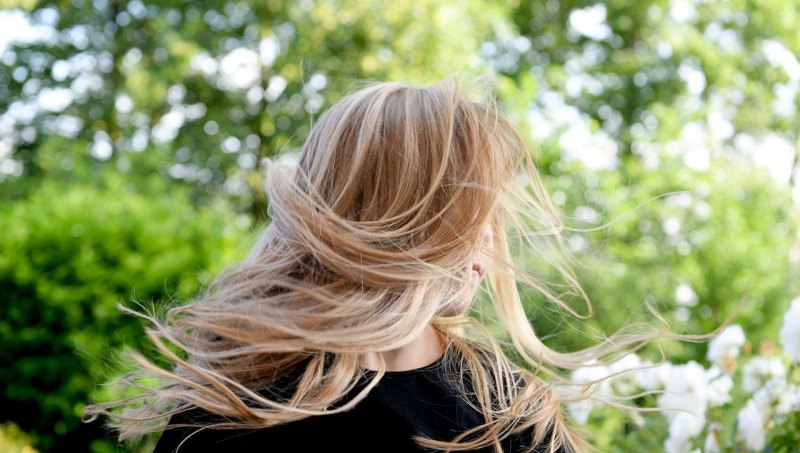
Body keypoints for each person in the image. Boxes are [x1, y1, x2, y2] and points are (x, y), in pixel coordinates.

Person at [86, 79, 661, 452]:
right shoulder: (236, 410)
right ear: (397, 219)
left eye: (491, 215)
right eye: (468, 211)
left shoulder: (510, 414)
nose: (489, 237)